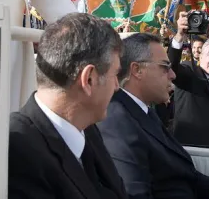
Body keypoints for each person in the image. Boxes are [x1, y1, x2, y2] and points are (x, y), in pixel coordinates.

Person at [98, 33, 209, 199]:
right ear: (137, 70)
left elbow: (176, 172)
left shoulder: (143, 112)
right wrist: (180, 36)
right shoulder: (118, 123)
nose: (172, 75)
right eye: (165, 67)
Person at [8, 13, 127, 199]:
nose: (117, 87)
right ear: (89, 79)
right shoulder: (18, 150)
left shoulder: (87, 129)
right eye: (115, 76)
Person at [169, 12, 209, 147]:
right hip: (189, 148)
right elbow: (172, 66)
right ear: (200, 57)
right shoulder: (189, 73)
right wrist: (180, 35)